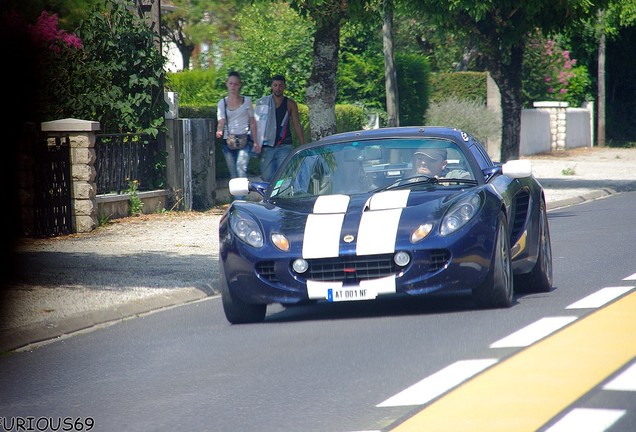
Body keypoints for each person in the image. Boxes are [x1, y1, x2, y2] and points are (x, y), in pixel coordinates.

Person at [255, 74, 305, 182]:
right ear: (271, 86)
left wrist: (302, 144)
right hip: (267, 145)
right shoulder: (264, 103)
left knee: (285, 174)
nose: (278, 88)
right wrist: (256, 142)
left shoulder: (290, 104)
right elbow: (258, 123)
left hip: (285, 144)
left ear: (285, 87)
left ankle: (283, 196)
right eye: (275, 85)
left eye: (280, 85)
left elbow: (297, 123)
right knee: (267, 176)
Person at [216, 71, 260, 182]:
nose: (233, 86)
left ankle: (241, 198)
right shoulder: (222, 103)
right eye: (231, 83)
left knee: (241, 169)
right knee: (233, 174)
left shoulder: (247, 101)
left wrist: (255, 142)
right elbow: (221, 120)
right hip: (228, 140)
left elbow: (252, 122)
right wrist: (219, 130)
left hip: (244, 140)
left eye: (235, 84)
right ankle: (237, 197)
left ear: (239, 85)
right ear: (227, 84)